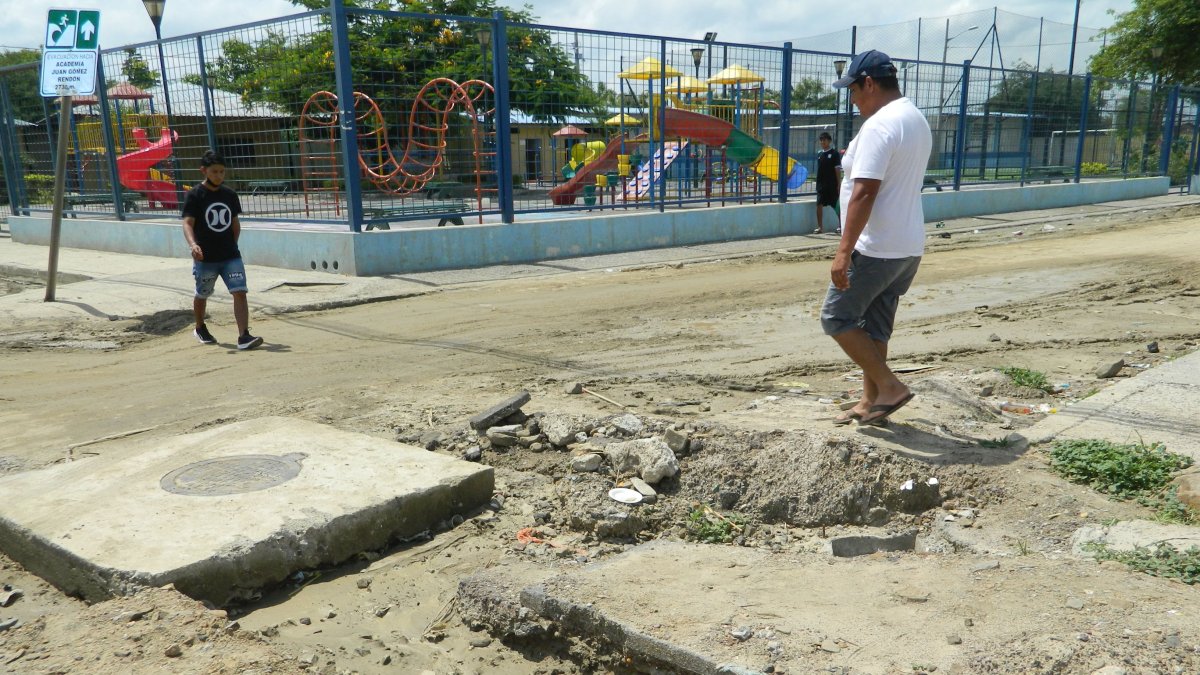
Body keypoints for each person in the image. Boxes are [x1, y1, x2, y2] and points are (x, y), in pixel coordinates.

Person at [821, 50, 931, 426]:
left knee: (836, 317)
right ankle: (872, 402)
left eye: (853, 89)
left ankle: (890, 386)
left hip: (876, 246)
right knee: (876, 326)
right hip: (907, 245)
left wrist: (843, 252)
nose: (852, 99)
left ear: (869, 82)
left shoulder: (881, 125)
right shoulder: (914, 118)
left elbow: (865, 192)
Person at [182, 150, 263, 351]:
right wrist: (193, 245)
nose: (219, 175)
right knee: (203, 293)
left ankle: (244, 335)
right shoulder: (195, 195)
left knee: (240, 291)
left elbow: (235, 224)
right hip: (206, 257)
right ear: (204, 171)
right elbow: (187, 224)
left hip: (230, 255)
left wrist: (231, 245)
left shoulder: (229, 195)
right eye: (215, 171)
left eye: (222, 172)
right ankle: (200, 327)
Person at [814, 131, 843, 234]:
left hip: (832, 184)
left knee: (836, 205)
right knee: (819, 204)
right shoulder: (819, 154)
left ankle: (841, 226)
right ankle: (820, 227)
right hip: (821, 185)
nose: (822, 142)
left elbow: (837, 170)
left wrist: (838, 184)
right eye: (821, 140)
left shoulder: (835, 154)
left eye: (824, 140)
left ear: (829, 141)